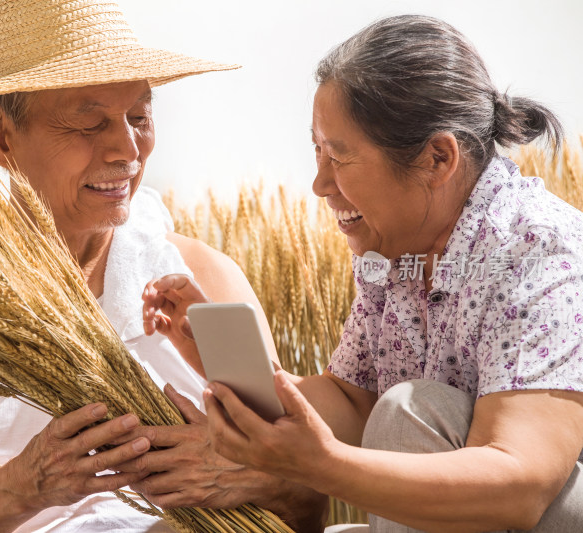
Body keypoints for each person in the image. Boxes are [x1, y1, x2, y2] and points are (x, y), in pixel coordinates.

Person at [0, 0, 322, 532]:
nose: (127, 149)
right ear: (0, 137)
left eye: (139, 117)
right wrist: (20, 487)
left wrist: (250, 480)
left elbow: (307, 506)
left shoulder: (204, 282)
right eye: (89, 123)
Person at [145, 15, 583, 532]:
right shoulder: (390, 255)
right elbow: (354, 399)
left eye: (339, 156)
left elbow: (521, 484)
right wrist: (245, 394)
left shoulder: (539, 248)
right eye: (316, 150)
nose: (319, 183)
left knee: (411, 413)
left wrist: (321, 465)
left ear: (437, 159)